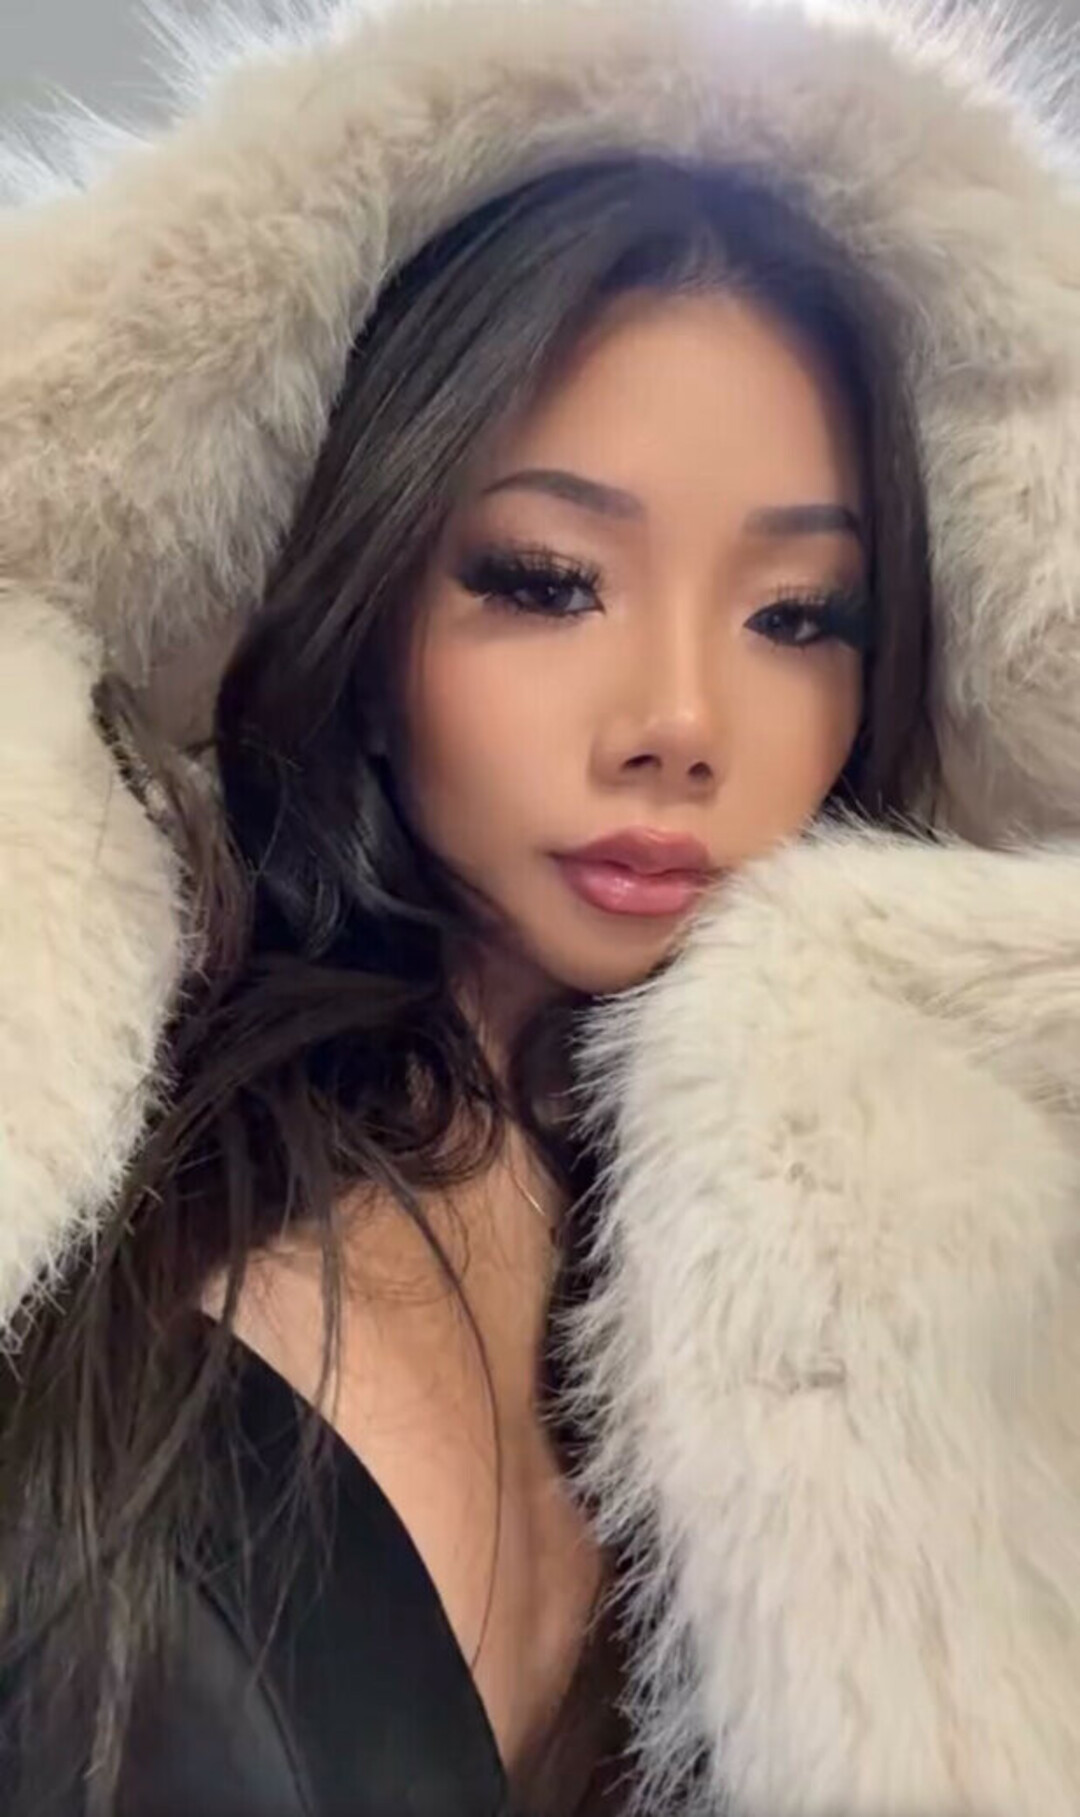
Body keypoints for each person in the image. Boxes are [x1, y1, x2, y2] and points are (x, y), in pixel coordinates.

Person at [0, 2, 1077, 1814]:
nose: (680, 721)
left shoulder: (931, 1306)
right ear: (369, 603)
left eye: (798, 615)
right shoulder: (104, 1157)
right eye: (547, 577)